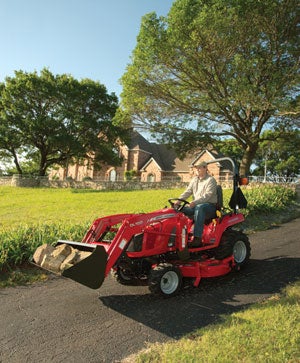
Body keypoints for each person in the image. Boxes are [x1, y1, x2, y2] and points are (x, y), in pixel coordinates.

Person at [176, 161, 218, 247]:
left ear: (205, 168)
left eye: (199, 167)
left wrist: (195, 202)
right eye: (196, 168)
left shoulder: (211, 180)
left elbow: (207, 196)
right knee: (179, 209)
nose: (197, 169)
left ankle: (197, 238)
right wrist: (178, 202)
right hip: (196, 205)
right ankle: (179, 236)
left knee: (200, 207)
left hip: (210, 207)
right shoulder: (194, 180)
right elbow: (187, 192)